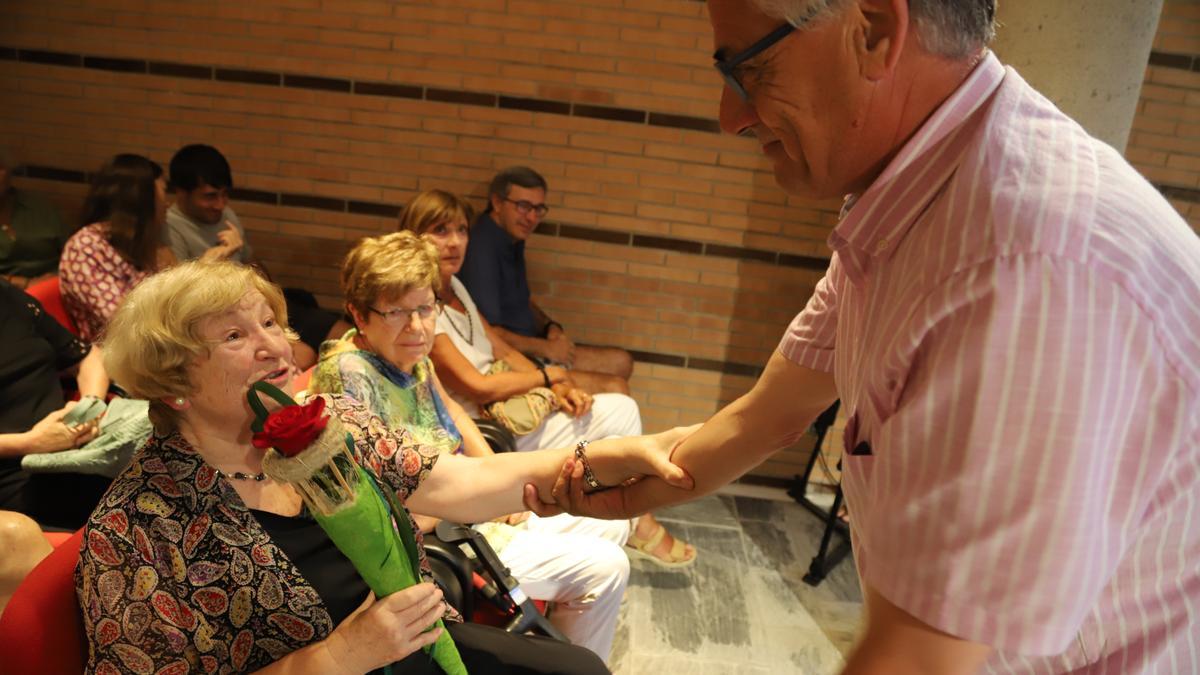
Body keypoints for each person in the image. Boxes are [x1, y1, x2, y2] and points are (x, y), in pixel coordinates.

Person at [526, 1, 1200, 674]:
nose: (730, 116)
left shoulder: (1019, 263)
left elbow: (919, 658)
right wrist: (619, 483)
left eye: (747, 71)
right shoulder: (916, 199)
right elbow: (766, 416)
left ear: (874, 29)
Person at [78, 259, 693, 674]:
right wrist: (338, 656)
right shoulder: (136, 527)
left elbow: (458, 482)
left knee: (579, 669)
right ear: (172, 381)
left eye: (268, 322)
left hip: (414, 650)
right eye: (233, 337)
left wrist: (612, 457)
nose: (274, 345)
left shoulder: (323, 425)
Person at [311, 229, 633, 660]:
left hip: (470, 504)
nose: (418, 325)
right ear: (358, 314)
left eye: (426, 308)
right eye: (397, 312)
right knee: (607, 569)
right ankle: (569, 660)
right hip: (446, 533)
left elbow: (457, 415)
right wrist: (485, 499)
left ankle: (557, 648)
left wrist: (496, 479)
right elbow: (374, 508)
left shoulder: (410, 353)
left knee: (612, 522)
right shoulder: (348, 377)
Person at [403, 189, 696, 568]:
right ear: (413, 237)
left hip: (514, 410)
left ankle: (624, 513)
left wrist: (556, 385)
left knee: (621, 408)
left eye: (461, 230)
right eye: (440, 231)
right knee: (618, 411)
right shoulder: (423, 309)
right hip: (494, 425)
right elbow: (477, 385)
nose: (455, 242)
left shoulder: (456, 287)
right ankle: (635, 520)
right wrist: (547, 375)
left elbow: (503, 351)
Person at [165, 143, 351, 370]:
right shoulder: (169, 228)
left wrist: (245, 261)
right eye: (210, 196)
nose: (220, 204)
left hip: (255, 300)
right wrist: (218, 257)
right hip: (224, 315)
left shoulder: (225, 215)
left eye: (224, 195)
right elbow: (177, 301)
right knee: (303, 355)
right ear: (181, 193)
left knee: (344, 334)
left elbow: (262, 277)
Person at [459, 167, 633, 395]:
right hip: (515, 359)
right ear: (497, 203)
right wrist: (548, 349)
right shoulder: (481, 249)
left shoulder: (512, 236)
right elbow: (490, 333)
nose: (532, 217)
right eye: (523, 206)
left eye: (538, 208)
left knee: (621, 361)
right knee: (615, 388)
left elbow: (524, 300)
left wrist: (551, 326)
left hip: (535, 346)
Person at [0, 279, 109, 529]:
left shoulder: (8, 297)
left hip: (75, 447)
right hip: (15, 475)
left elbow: (88, 356)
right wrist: (31, 442)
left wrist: (90, 405)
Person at [60, 153, 171, 342]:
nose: (167, 203)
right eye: (163, 191)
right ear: (141, 198)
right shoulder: (86, 246)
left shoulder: (139, 244)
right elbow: (124, 323)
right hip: (117, 360)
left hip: (154, 351)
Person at [0, 148, 73, 289]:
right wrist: (24, 283)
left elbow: (71, 252)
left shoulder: (39, 206)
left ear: (9, 172)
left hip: (55, 287)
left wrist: (58, 278)